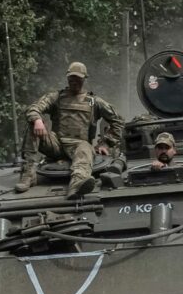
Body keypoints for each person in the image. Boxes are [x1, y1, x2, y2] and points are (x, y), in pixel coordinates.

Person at [16, 62, 124, 197]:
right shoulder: (57, 97)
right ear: (67, 78)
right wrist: (37, 120)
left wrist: (106, 143)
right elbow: (34, 108)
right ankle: (28, 174)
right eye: (72, 78)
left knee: (85, 149)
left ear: (84, 79)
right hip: (56, 144)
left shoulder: (92, 101)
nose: (74, 81)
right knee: (32, 124)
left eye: (78, 78)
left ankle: (78, 184)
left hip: (79, 145)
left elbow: (118, 120)